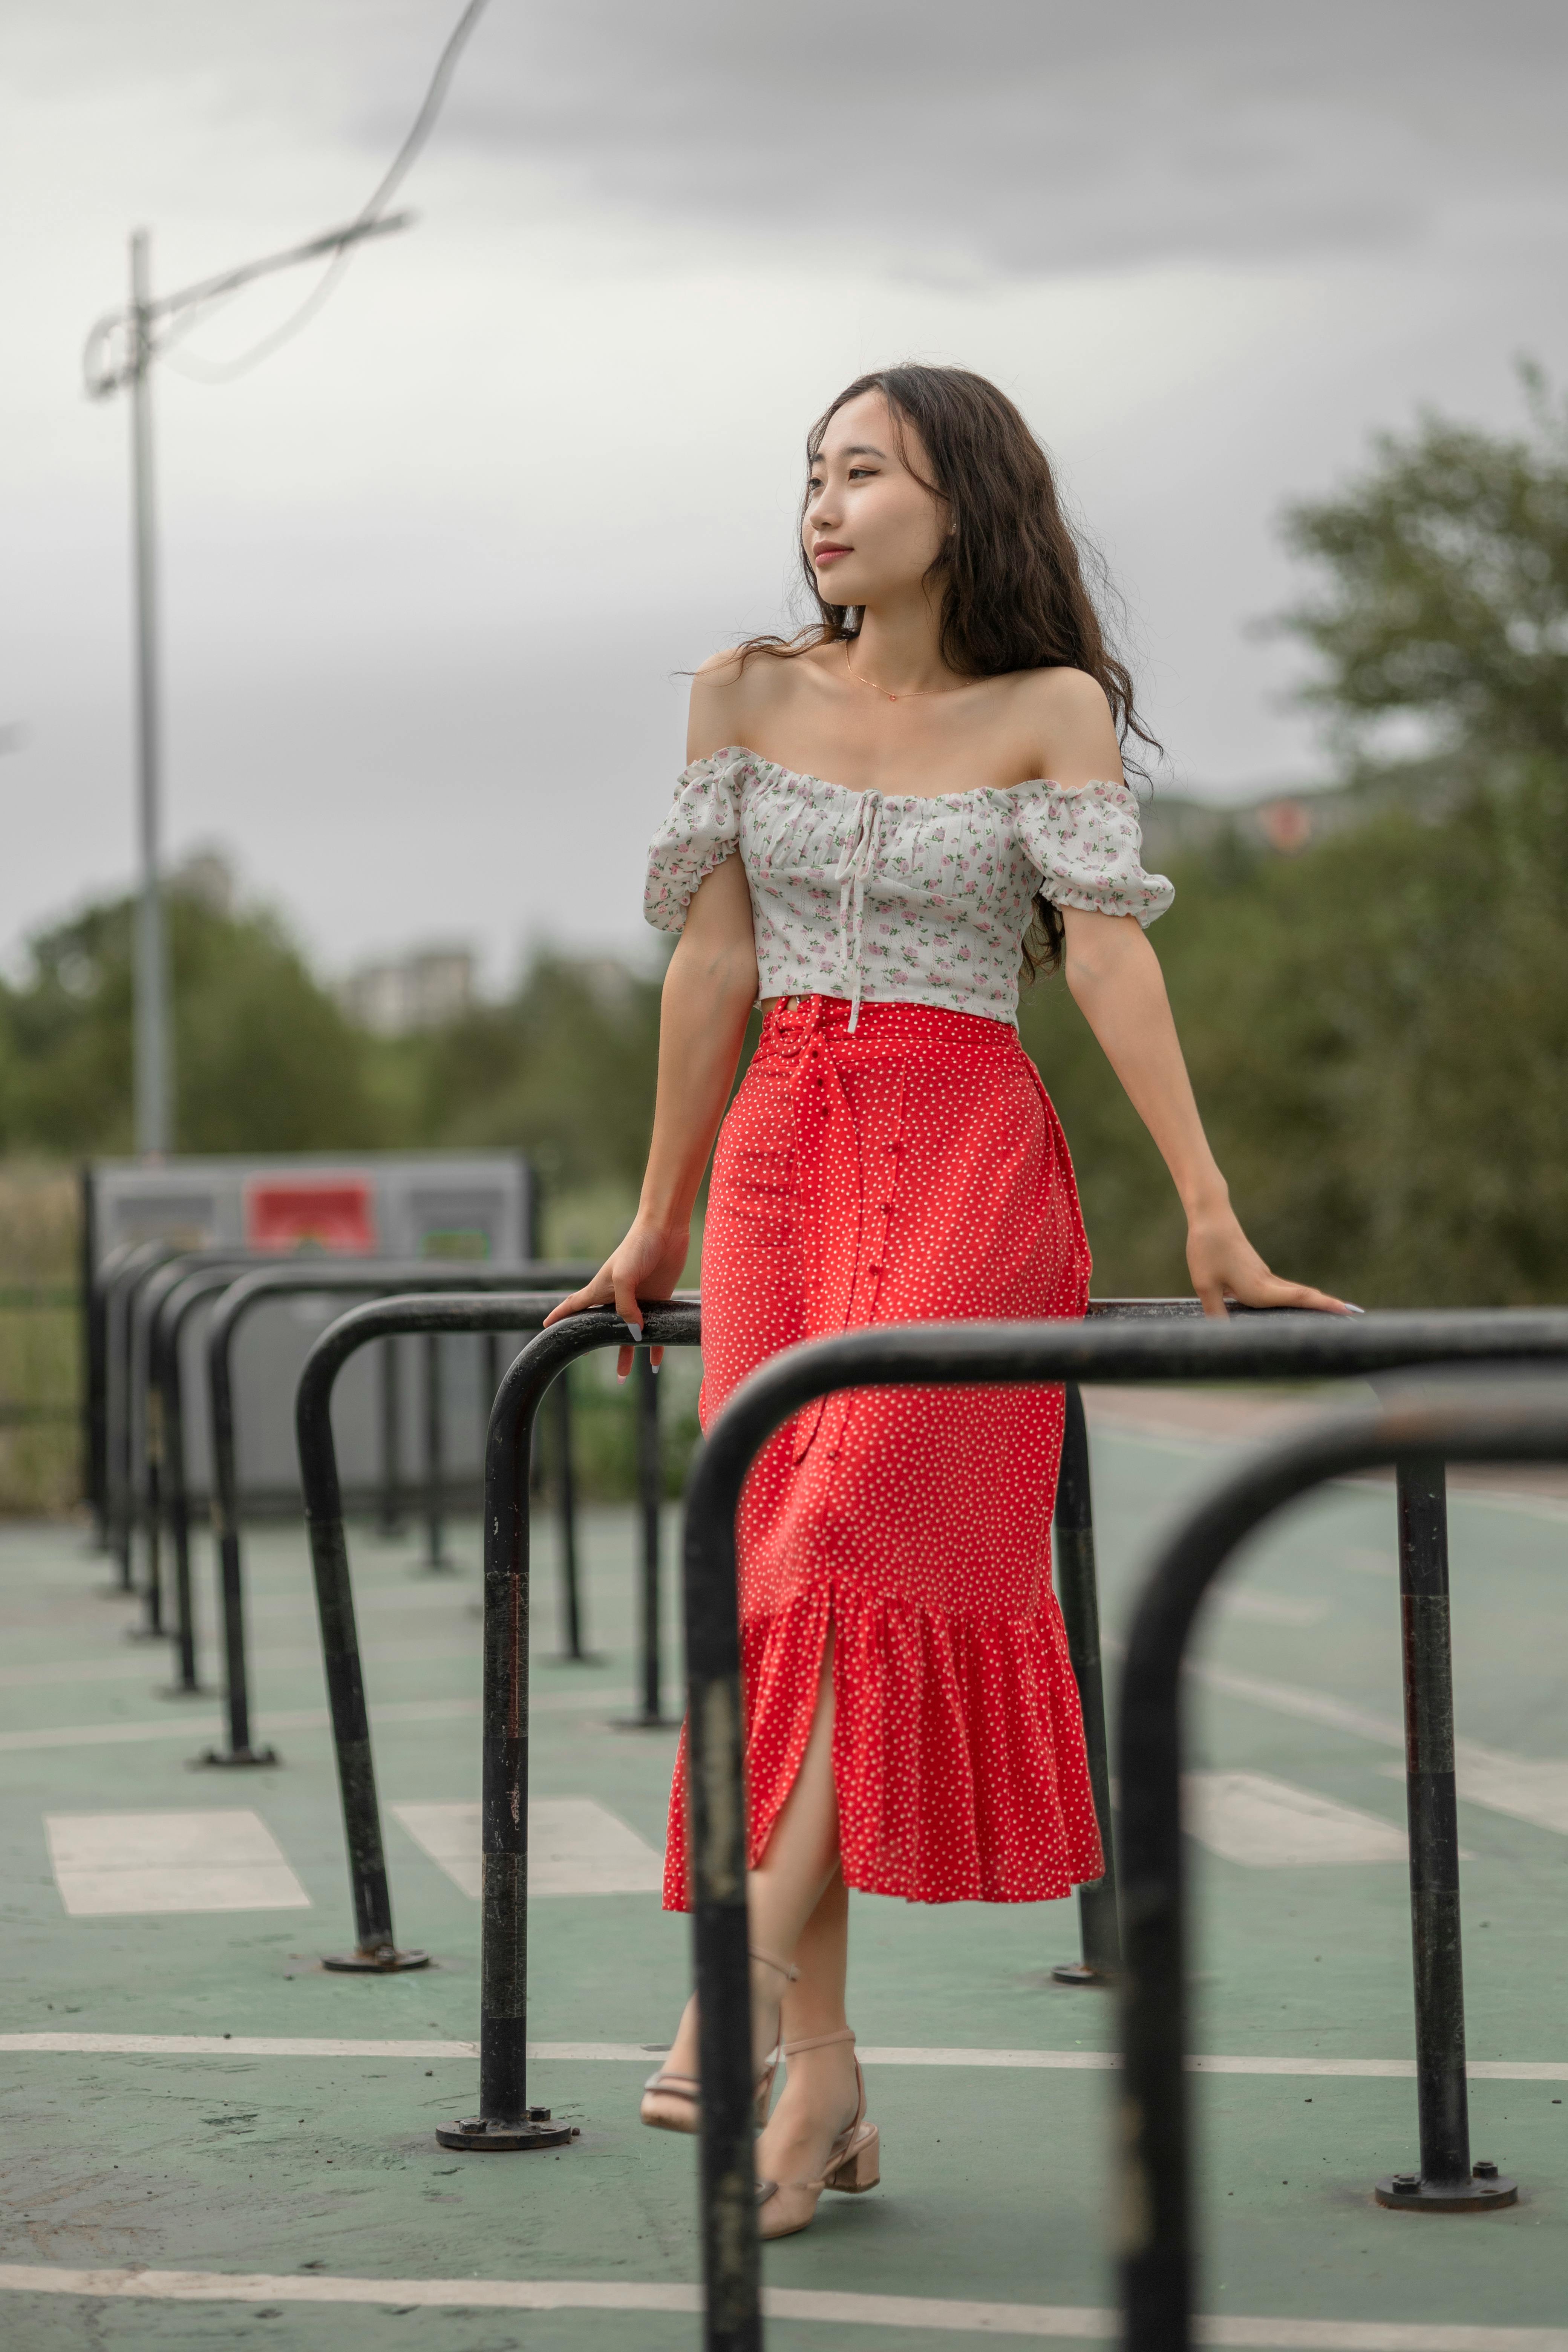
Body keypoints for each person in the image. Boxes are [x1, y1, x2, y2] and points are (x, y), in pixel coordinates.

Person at [545, 362, 1350, 2242]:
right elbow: (709, 965)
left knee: (847, 1526)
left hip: (971, 1150)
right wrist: (655, 1218)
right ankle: (820, 2083)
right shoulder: (741, 692)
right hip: (776, 1166)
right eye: (810, 476)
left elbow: (1108, 957)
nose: (821, 509)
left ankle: (739, 1986)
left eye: (863, 473)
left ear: (959, 503)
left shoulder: (1046, 708)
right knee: (780, 1578)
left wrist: (1209, 1212)